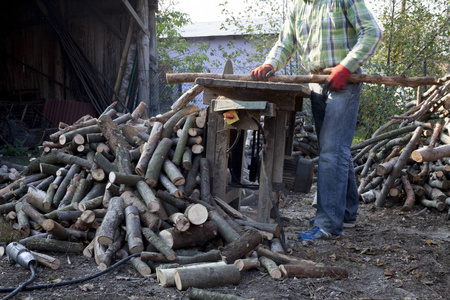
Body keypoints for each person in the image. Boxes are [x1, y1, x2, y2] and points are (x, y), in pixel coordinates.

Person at [251, 0, 382, 240]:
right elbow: (285, 43)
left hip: (345, 81)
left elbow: (372, 32)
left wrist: (346, 66)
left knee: (332, 150)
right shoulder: (297, 7)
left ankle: (328, 226)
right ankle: (346, 213)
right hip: (317, 82)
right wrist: (270, 63)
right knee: (333, 148)